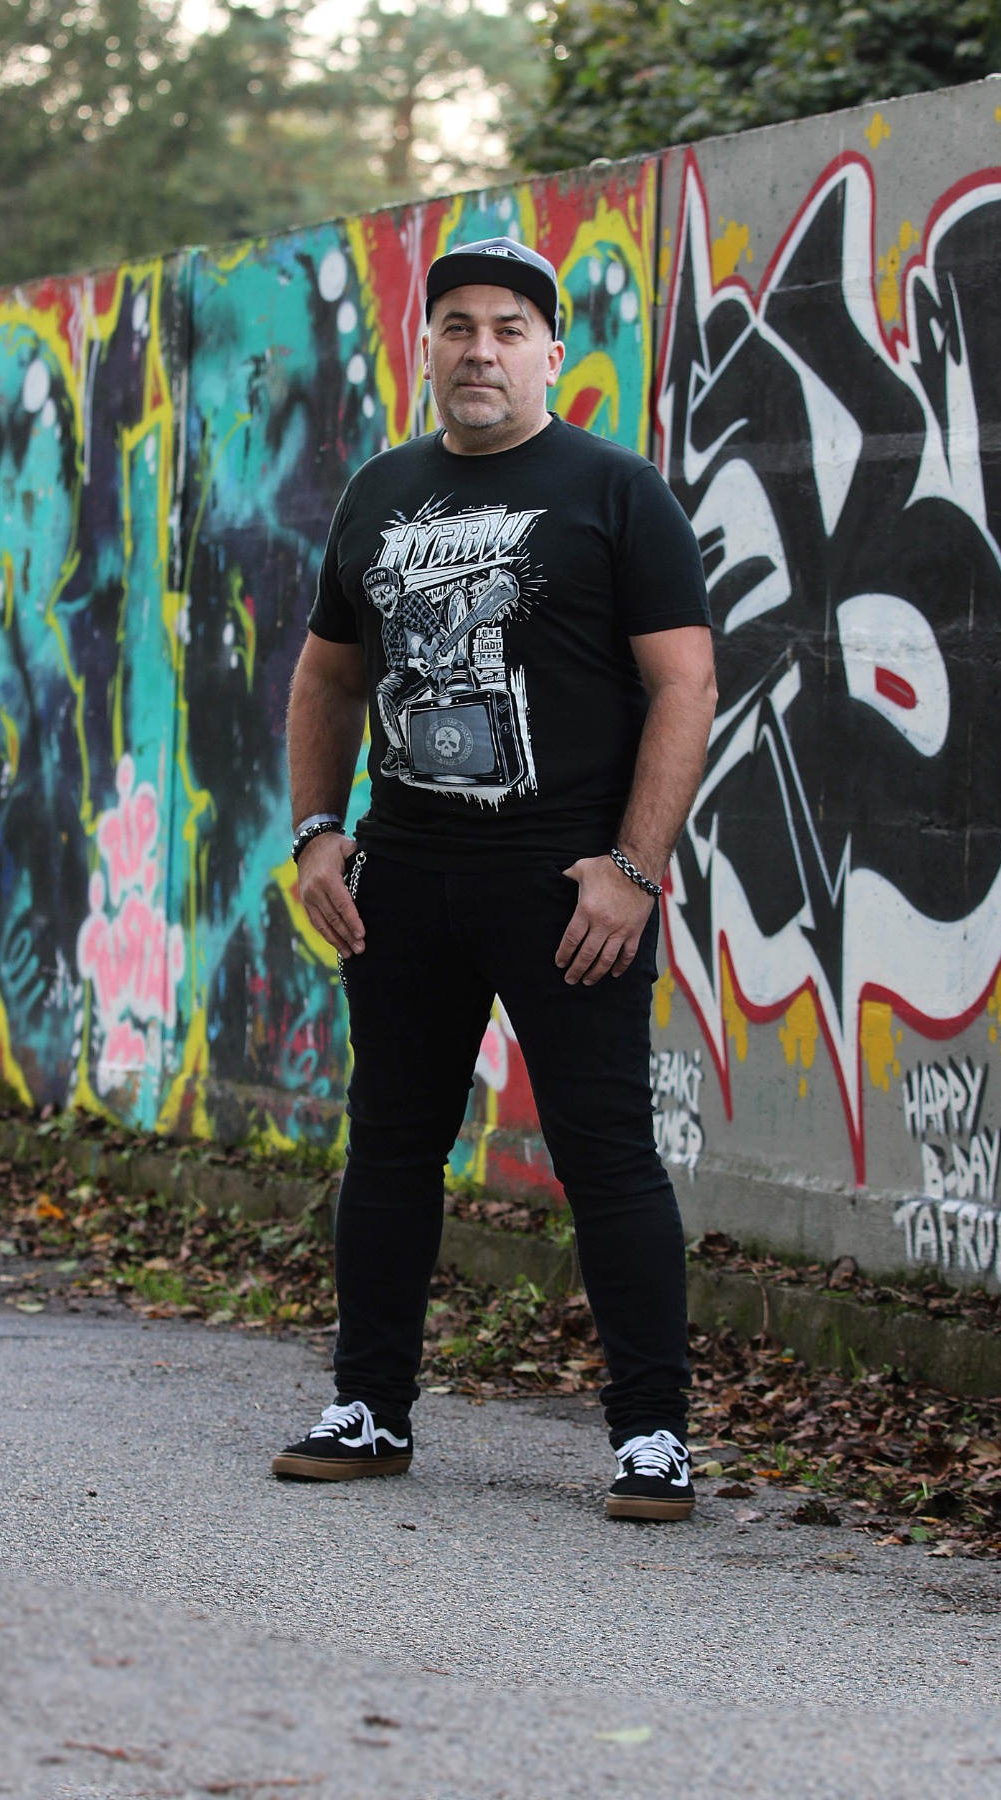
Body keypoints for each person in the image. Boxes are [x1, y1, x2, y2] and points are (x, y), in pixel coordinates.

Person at [273, 236, 717, 1520]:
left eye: (508, 328)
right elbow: (328, 675)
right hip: (404, 881)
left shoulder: (615, 490)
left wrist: (631, 869)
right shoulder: (378, 491)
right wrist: (317, 829)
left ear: (549, 353)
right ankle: (368, 1409)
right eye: (457, 324)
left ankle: (651, 1437)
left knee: (604, 1154)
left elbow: (683, 684)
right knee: (390, 1146)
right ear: (425, 346)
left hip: (564, 889)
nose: (480, 349)